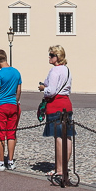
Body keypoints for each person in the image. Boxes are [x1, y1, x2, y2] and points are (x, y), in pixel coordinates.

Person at [38, 45, 74, 179]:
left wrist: (43, 88)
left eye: (51, 55)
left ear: (57, 57)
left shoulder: (54, 71)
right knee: (67, 136)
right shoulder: (67, 70)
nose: (49, 57)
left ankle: (59, 169)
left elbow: (51, 90)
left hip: (56, 104)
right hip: (66, 103)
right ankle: (64, 166)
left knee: (58, 137)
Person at [0, 49, 21, 171]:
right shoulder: (16, 72)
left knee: (1, 134)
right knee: (11, 134)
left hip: (2, 105)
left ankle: (1, 162)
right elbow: (18, 91)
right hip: (13, 105)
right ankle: (10, 161)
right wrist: (15, 102)